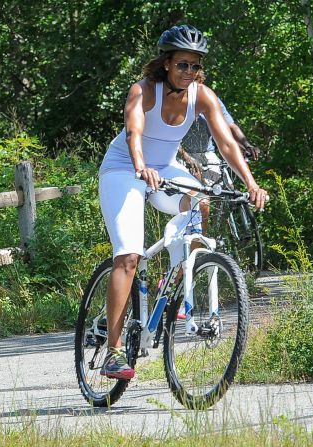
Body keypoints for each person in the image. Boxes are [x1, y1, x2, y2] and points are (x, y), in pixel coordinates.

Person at [97, 24, 269, 380]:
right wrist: (141, 166)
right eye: (182, 65)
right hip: (124, 169)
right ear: (165, 63)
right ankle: (114, 352)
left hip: (165, 169)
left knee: (200, 200)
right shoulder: (143, 90)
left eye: (195, 66)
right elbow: (134, 132)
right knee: (129, 256)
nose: (189, 72)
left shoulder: (202, 95)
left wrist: (251, 184)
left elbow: (226, 144)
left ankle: (176, 280)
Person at [178, 75, 260, 233]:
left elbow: (230, 125)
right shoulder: (178, 100)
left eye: (198, 82)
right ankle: (200, 235)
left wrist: (246, 144)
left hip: (208, 154)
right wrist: (186, 157)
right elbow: (170, 139)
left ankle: (220, 231)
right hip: (183, 155)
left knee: (226, 191)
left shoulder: (209, 98)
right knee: (201, 199)